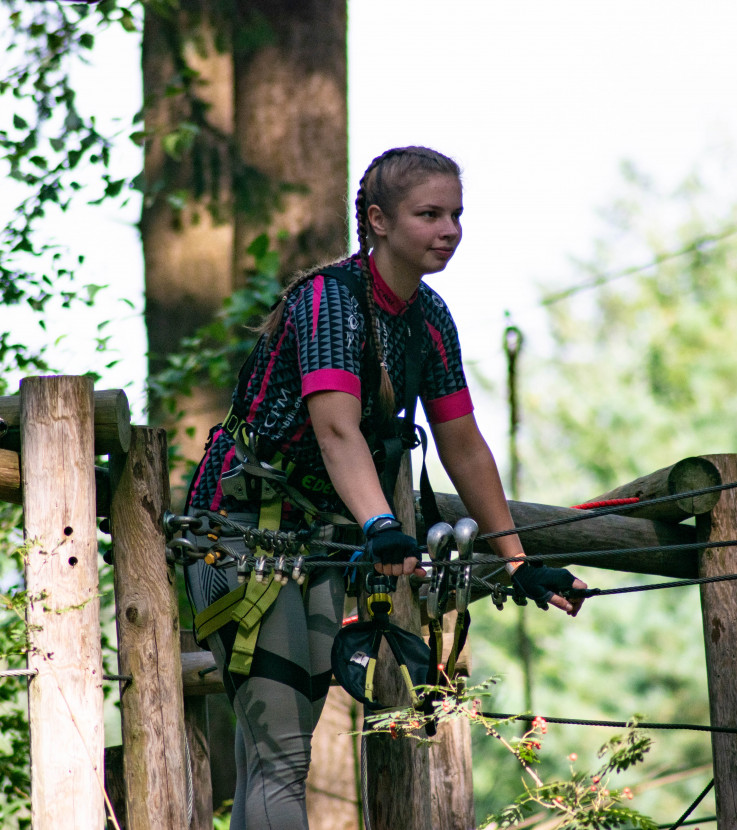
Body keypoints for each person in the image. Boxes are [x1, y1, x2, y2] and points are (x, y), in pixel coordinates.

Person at [183, 145, 587, 830]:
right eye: (428, 214)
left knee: (284, 751)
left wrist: (515, 562)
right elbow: (336, 431)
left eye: (456, 214)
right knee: (280, 754)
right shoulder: (328, 304)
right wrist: (379, 526)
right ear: (377, 219)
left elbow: (463, 443)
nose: (449, 229)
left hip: (314, 539)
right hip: (240, 532)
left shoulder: (429, 318)